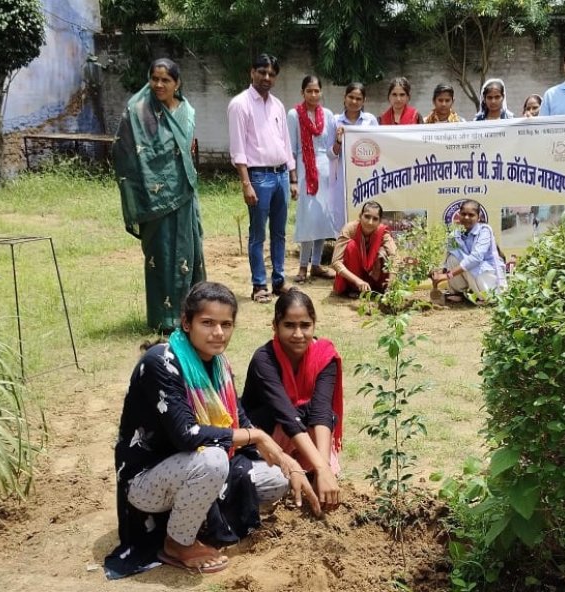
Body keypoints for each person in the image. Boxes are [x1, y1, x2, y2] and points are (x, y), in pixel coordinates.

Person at [104, 282, 320, 580]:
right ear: (186, 323)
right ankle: (177, 543)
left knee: (276, 479)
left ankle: (196, 519)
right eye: (208, 323)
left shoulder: (219, 365)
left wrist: (287, 461)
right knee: (215, 460)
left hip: (189, 469)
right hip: (146, 482)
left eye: (226, 324)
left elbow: (240, 421)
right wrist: (258, 436)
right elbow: (186, 435)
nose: (218, 332)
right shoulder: (160, 363)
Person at [112, 58, 205, 334]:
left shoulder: (187, 111)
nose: (159, 84)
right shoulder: (138, 111)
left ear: (177, 83)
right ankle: (164, 318)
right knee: (161, 254)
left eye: (165, 80)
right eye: (154, 78)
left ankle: (192, 314)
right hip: (155, 199)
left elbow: (186, 152)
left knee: (189, 251)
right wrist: (146, 183)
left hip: (184, 195)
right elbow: (123, 152)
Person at [241, 290, 343, 510]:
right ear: (275, 326)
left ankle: (313, 470)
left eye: (305, 325)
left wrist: (322, 467)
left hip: (302, 427)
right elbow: (286, 416)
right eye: (289, 325)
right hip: (267, 433)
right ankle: (293, 470)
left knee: (317, 417)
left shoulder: (325, 356)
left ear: (314, 324)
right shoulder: (264, 359)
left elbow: (322, 411)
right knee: (295, 414)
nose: (298, 334)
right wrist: (322, 469)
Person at [228, 54, 297, 304]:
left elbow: (285, 142)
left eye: (271, 74)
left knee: (279, 232)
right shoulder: (240, 104)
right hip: (258, 177)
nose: (266, 77)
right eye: (262, 72)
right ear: (252, 72)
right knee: (258, 234)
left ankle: (279, 281)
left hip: (280, 175)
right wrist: (246, 183)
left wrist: (292, 177)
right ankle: (259, 285)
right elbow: (238, 150)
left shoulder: (277, 105)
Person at [287, 75, 339, 284]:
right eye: (309, 91)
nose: (313, 94)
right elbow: (290, 149)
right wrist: (292, 179)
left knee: (321, 219)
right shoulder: (293, 114)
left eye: (317, 91)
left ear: (321, 92)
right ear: (303, 93)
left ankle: (316, 265)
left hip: (325, 169)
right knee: (308, 219)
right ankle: (302, 266)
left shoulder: (327, 115)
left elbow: (331, 147)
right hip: (304, 170)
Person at [430, 199, 507, 302]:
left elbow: (476, 258)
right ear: (459, 215)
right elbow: (447, 260)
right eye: (463, 214)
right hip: (473, 274)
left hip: (487, 275)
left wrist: (447, 275)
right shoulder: (455, 234)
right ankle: (461, 293)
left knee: (470, 263)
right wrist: (438, 274)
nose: (466, 217)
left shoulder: (484, 231)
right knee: (452, 258)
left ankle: (485, 297)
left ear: (478, 218)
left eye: (471, 215)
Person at [330, 82, 378, 232]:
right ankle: (344, 252)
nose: (354, 101)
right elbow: (330, 154)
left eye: (358, 98)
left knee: (365, 215)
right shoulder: (334, 121)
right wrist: (338, 141)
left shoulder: (370, 121)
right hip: (342, 179)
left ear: (364, 101)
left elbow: (380, 147)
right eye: (351, 97)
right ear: (345, 98)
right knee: (342, 218)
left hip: (366, 177)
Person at [331, 200, 397, 296]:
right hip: (354, 279)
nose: (370, 222)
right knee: (351, 247)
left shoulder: (382, 232)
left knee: (383, 252)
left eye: (375, 219)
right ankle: (353, 288)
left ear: (379, 221)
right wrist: (357, 281)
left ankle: (379, 288)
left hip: (375, 276)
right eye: (367, 217)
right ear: (360, 216)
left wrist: (390, 286)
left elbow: (395, 258)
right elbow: (336, 262)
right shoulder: (349, 229)